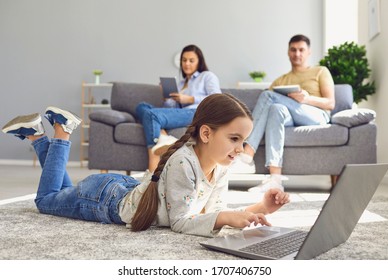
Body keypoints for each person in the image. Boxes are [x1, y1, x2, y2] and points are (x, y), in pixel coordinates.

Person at [2, 94, 290, 237]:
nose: (241, 149)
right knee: (47, 200)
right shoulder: (183, 163)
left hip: (120, 190)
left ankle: (36, 135)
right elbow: (182, 222)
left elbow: (211, 213)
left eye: (244, 141)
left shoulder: (220, 166)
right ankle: (61, 132)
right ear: (206, 133)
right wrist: (227, 218)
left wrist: (261, 208)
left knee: (60, 192)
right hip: (105, 200)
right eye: (235, 139)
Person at [231, 34, 335, 191]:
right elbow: (266, 105)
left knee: (268, 96)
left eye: (301, 50)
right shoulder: (281, 80)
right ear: (288, 52)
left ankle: (246, 156)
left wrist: (306, 99)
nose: (297, 54)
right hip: (290, 117)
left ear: (309, 52)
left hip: (316, 115)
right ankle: (275, 179)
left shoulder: (320, 71)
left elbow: (330, 103)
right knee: (275, 109)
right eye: (293, 50)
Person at [136, 44, 221, 172]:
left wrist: (190, 99)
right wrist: (167, 99)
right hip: (181, 112)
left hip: (196, 112)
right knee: (142, 107)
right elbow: (173, 108)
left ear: (199, 62)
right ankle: (163, 136)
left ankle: (153, 167)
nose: (187, 64)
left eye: (191, 60)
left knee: (152, 115)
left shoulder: (207, 76)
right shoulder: (181, 84)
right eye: (184, 60)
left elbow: (216, 99)